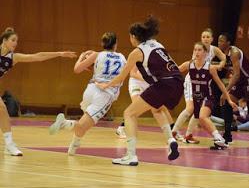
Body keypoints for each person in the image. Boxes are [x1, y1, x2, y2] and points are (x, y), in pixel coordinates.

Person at [97, 16, 183, 166]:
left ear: (133, 36)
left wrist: (106, 85)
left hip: (164, 84)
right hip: (178, 82)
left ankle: (131, 155)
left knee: (129, 113)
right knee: (157, 109)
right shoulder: (157, 44)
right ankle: (171, 142)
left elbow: (121, 77)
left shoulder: (137, 52)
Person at [0, 27, 76, 156]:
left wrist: (59, 53)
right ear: (4, 40)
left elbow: (37, 56)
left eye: (16, 41)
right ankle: (9, 144)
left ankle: (9, 144)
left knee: (2, 110)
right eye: (13, 40)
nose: (15, 43)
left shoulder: (14, 58)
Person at [49, 32, 126, 155]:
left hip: (90, 90)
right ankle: (63, 123)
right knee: (82, 125)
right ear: (116, 44)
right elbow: (120, 74)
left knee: (84, 124)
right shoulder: (122, 57)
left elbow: (77, 69)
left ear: (103, 44)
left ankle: (74, 146)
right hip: (105, 94)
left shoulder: (96, 55)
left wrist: (82, 56)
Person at [172, 28, 226, 144]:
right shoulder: (199, 49)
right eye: (203, 37)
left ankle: (188, 135)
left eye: (208, 37)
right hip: (192, 80)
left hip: (203, 82)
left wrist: (221, 64)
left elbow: (224, 57)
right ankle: (174, 132)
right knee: (190, 108)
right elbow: (193, 65)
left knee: (199, 110)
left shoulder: (214, 49)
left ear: (212, 39)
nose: (205, 39)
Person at [178, 42, 236, 148]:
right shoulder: (188, 64)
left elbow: (221, 85)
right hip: (196, 98)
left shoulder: (210, 68)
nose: (197, 52)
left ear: (205, 53)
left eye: (199, 50)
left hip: (207, 97)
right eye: (195, 50)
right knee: (201, 119)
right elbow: (174, 72)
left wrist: (229, 100)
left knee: (202, 116)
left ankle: (219, 138)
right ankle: (219, 139)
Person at [115, 68, 175, 139]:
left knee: (161, 106)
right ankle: (121, 128)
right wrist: (147, 79)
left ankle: (174, 131)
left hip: (149, 84)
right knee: (136, 107)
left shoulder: (158, 59)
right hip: (136, 83)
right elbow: (132, 74)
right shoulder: (139, 57)